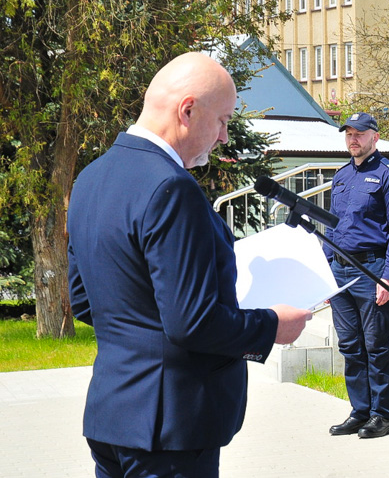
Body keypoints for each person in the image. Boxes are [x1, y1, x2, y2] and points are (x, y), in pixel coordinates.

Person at [67, 52, 312, 478]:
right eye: (222, 120)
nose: (223, 136)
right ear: (188, 110)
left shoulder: (90, 177)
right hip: (170, 429)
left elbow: (86, 302)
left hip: (113, 417)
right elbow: (191, 323)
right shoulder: (171, 188)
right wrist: (272, 325)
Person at [324, 112, 389, 439]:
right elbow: (333, 223)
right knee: (350, 345)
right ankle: (360, 410)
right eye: (349, 134)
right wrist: (326, 269)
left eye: (360, 134)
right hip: (340, 269)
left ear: (375, 136)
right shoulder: (342, 175)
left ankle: (382, 414)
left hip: (371, 269)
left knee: (376, 344)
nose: (353, 139)